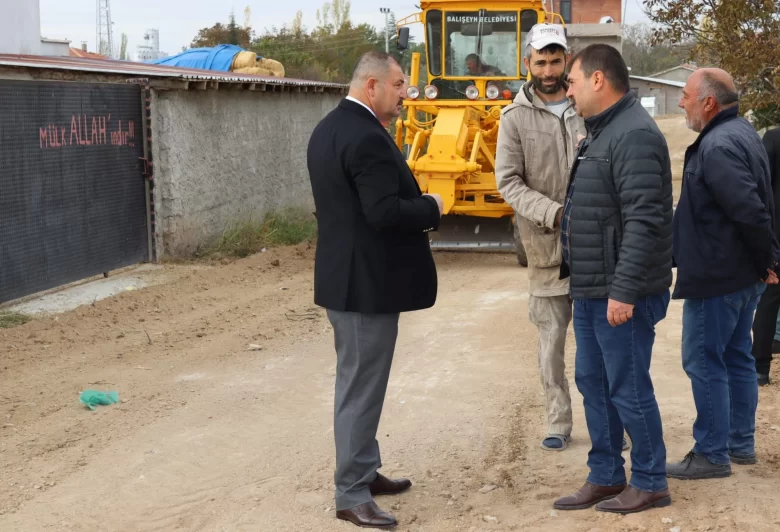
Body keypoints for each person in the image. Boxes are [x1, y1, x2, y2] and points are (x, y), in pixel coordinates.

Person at [306, 51, 444, 528]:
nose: (406, 93)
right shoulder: (366, 137)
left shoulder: (328, 129)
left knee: (359, 384)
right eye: (399, 84)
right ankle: (350, 493)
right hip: (365, 287)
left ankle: (364, 472)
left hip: (348, 281)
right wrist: (431, 206)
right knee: (361, 390)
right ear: (371, 86)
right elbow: (383, 213)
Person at [552, 44, 674, 514]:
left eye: (573, 81)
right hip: (590, 286)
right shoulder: (602, 131)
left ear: (598, 80)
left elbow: (645, 219)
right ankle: (606, 475)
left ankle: (649, 480)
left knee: (627, 385)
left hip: (620, 291)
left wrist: (623, 290)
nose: (568, 90)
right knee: (594, 381)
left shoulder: (634, 134)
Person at [667, 69, 779, 479]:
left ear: (709, 102)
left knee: (703, 359)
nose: (682, 102)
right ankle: (739, 443)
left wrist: (768, 258)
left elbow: (750, 209)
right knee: (735, 357)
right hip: (740, 273)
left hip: (720, 276)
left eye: (686, 95)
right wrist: (766, 262)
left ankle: (713, 453)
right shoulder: (743, 132)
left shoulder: (717, 145)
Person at [495, 23, 583, 452]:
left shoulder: (589, 105)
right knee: (551, 343)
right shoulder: (513, 119)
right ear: (528, 63)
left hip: (593, 247)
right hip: (547, 247)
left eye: (555, 60)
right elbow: (508, 182)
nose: (548, 69)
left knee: (601, 344)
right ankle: (558, 420)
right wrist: (554, 213)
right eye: (540, 61)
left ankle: (610, 420)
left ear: (567, 59)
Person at [751, 126, 780, 387]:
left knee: (769, 300)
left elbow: (762, 186)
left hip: (777, 233)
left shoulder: (773, 138)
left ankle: (761, 367)